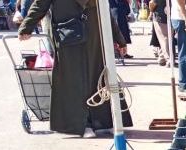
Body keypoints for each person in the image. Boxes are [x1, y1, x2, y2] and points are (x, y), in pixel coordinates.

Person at [18, 0, 133, 137]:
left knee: (94, 76)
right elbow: (40, 4)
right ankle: (86, 124)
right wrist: (27, 26)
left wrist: (119, 39)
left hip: (89, 33)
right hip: (73, 34)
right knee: (78, 79)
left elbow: (104, 11)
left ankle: (100, 122)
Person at [170, 0, 186, 97]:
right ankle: (184, 85)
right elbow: (180, 2)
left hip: (182, 18)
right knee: (185, 52)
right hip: (181, 19)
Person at [150, 0, 169, 65]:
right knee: (165, 39)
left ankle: (163, 58)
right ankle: (167, 58)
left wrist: (151, 12)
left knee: (164, 39)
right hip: (162, 17)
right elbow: (152, 3)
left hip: (162, 16)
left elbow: (152, 3)